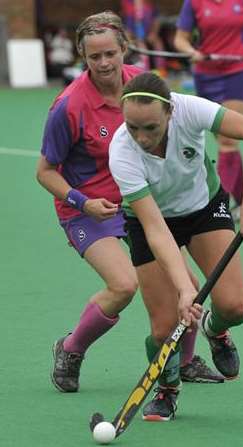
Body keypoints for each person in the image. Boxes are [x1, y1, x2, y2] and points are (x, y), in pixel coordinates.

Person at [36, 11, 221, 394]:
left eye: (110, 54)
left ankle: (184, 362)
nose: (103, 63)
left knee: (186, 282)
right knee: (122, 285)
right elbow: (45, 172)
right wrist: (82, 202)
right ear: (81, 57)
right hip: (90, 210)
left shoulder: (144, 86)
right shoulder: (68, 106)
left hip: (141, 203)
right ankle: (70, 349)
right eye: (93, 57)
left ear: (124, 50)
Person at [109, 72, 243, 421]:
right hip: (151, 222)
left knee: (234, 305)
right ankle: (168, 389)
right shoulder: (122, 153)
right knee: (164, 326)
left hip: (203, 209)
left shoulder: (190, 110)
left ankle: (217, 330)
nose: (141, 137)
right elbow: (155, 228)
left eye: (150, 128)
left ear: (169, 112)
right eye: (132, 126)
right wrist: (186, 289)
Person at [173, 0, 243, 221]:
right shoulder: (194, 2)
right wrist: (190, 51)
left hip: (239, 71)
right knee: (224, 141)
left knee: (226, 141)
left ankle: (220, 204)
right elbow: (180, 38)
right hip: (205, 74)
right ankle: (242, 201)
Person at [121, 0, 167, 74]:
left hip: (148, 32)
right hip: (134, 33)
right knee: (141, 46)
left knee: (158, 43)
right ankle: (144, 71)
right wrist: (135, 36)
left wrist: (153, 33)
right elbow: (129, 24)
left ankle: (161, 69)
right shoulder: (128, 4)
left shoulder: (150, 4)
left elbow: (156, 20)